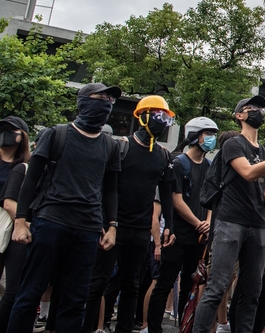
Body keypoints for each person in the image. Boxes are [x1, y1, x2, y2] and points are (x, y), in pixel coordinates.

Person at [9, 83, 123, 332]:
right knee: (29, 294)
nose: (106, 102)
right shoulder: (56, 134)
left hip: (88, 229)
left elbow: (111, 190)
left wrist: (112, 226)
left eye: (110, 99)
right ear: (82, 102)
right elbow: (31, 180)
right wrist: (20, 220)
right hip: (51, 221)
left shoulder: (111, 145)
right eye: (100, 97)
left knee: (75, 301)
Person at [192, 95, 265, 333]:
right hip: (230, 222)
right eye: (252, 108)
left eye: (261, 108)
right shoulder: (233, 144)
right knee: (217, 286)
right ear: (239, 115)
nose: (258, 111)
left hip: (258, 224)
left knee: (252, 291)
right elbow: (248, 173)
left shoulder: (261, 150)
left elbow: (262, 194)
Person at [82, 95, 177, 333]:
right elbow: (105, 187)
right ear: (143, 117)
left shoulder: (164, 156)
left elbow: (167, 193)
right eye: (158, 116)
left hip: (140, 230)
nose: (163, 121)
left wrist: (169, 226)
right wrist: (105, 221)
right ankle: (90, 327)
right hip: (113, 227)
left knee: (132, 285)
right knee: (99, 283)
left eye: (166, 117)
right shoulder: (121, 147)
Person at [147, 117, 219, 333]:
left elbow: (211, 199)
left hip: (198, 239)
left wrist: (207, 222)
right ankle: (153, 329)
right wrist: (199, 223)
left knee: (190, 286)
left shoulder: (209, 166)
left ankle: (184, 328)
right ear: (194, 135)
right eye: (208, 134)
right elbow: (176, 200)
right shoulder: (178, 163)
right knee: (165, 283)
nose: (211, 139)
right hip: (177, 235)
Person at [0, 116, 31, 332]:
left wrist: (23, 225)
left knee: (13, 288)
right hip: (5, 221)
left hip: (18, 227)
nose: (6, 134)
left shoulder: (27, 166)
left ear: (22, 136)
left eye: (12, 130)